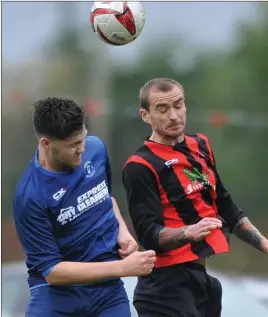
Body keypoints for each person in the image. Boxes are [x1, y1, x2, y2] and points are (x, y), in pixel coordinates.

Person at [122, 78, 268, 317]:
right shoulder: (139, 166)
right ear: (145, 115)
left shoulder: (200, 145)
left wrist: (263, 244)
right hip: (165, 289)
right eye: (162, 109)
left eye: (178, 105)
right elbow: (148, 234)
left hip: (201, 281)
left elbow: (225, 205)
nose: (173, 115)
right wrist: (187, 232)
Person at [13, 97, 156, 317]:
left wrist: (123, 234)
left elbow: (105, 199)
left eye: (83, 139)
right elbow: (53, 272)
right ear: (46, 144)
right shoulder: (29, 197)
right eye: (73, 145)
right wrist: (123, 268)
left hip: (107, 293)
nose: (82, 148)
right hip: (56, 297)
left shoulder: (96, 148)